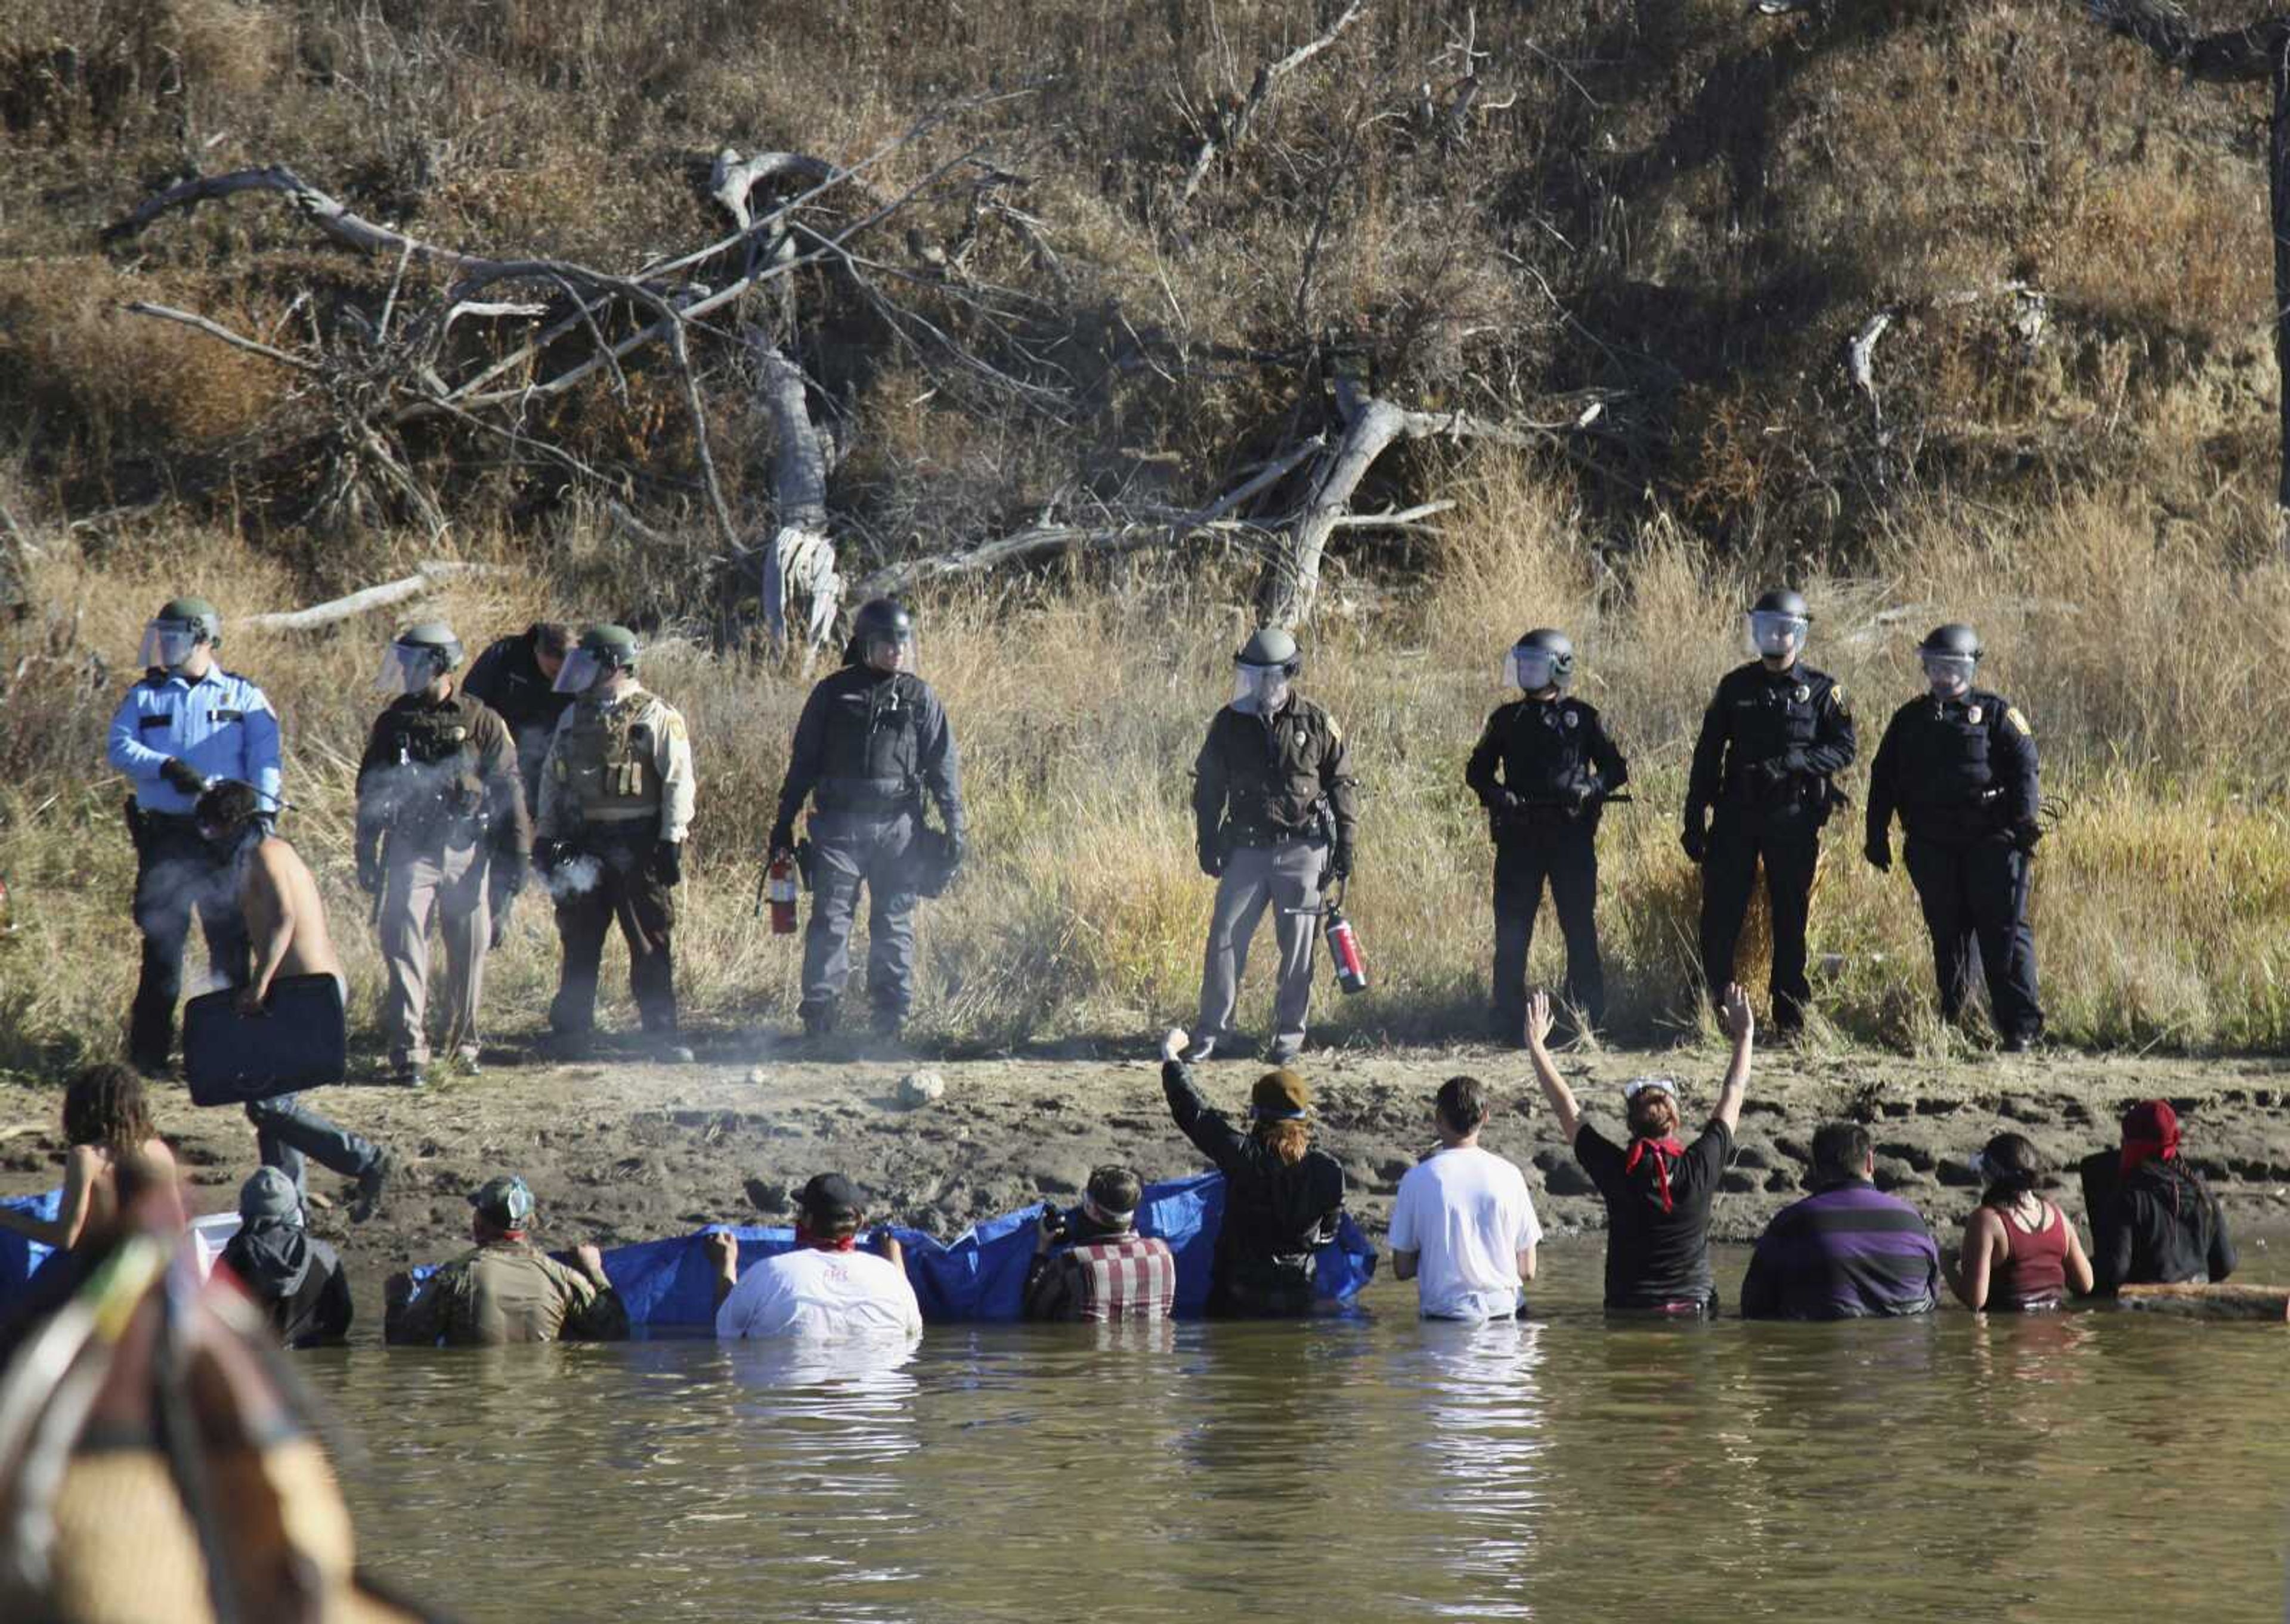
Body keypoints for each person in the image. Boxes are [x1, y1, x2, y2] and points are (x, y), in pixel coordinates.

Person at [196, 780, 393, 1223]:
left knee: (268, 1104)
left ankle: (367, 1161)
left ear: (232, 822)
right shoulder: (255, 857)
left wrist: (261, 982)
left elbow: (285, 917)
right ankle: (288, 1211)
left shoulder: (269, 852)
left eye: (214, 829)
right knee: (267, 1102)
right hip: (294, 993)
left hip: (309, 992)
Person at [769, 598, 965, 1041]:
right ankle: (820, 1021)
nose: (897, 651)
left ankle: (889, 1025)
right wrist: (783, 822)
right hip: (838, 829)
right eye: (888, 642)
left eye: (903, 642)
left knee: (894, 923)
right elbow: (802, 763)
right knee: (831, 920)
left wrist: (956, 827)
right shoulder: (832, 694)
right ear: (865, 644)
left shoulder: (920, 698)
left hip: (900, 829)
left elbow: (943, 768)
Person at [106, 596, 281, 1075]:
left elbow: (267, 761)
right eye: (159, 635)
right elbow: (118, 746)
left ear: (202, 638)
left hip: (226, 840)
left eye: (173, 636)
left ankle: (229, 1054)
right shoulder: (146, 695)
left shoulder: (244, 696)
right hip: (166, 838)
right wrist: (164, 765)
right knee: (162, 947)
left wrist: (263, 820)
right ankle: (149, 1057)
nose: (162, 645)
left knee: (229, 945)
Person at [355, 622, 531, 1086]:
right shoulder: (393, 721)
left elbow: (510, 791)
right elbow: (370, 792)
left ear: (436, 665)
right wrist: (365, 853)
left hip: (468, 852)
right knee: (404, 946)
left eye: (410, 663)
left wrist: (517, 858)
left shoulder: (481, 721)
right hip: (411, 850)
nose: (402, 672)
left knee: (470, 951)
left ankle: (463, 1046)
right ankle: (410, 1051)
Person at [1864, 624, 2045, 1050]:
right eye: (1937, 667)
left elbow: (2026, 767)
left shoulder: (1997, 714)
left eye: (1954, 667)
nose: (1945, 676)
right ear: (1925, 667)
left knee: (2005, 934)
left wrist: (2024, 820)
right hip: (1932, 846)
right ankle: (1955, 1017)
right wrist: (1876, 835)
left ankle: (2020, 1027)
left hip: (1992, 843)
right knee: (1948, 935)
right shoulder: (1909, 720)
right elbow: (1882, 777)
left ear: (1971, 667)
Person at [1682, 589, 1855, 1034]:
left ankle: (1790, 1014)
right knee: (1720, 913)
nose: (1774, 637)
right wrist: (1693, 816)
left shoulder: (1822, 690)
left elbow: (1844, 748)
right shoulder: (1735, 686)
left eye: (1783, 629)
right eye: (1765, 628)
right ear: (1755, 631)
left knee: (1790, 916)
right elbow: (1708, 754)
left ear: (1799, 633)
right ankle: (1715, 1005)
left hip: (1792, 815)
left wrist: (1794, 763)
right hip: (1737, 814)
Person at [1187, 627, 1358, 1064]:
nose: (1261, 686)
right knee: (1225, 938)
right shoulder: (1229, 722)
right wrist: (1207, 840)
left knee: (1299, 946)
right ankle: (1212, 1033)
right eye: (1253, 676)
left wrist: (1346, 845)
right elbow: (1209, 787)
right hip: (1245, 849)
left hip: (1304, 850)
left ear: (1288, 674)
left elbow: (1342, 785)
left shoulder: (1317, 722)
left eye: (1269, 677)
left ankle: (1288, 1035)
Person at [1528, 984, 1753, 1315]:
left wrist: (1536, 1046)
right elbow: (1734, 1090)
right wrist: (1745, 1035)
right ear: (1675, 1119)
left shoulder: (1617, 1169)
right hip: (1695, 1310)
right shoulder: (1702, 1163)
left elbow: (1567, 1108)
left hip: (1629, 1310)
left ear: (1630, 1124)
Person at [535, 624, 697, 1061]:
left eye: (589, 663)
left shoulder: (655, 715)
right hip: (582, 842)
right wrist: (546, 835)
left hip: (637, 844)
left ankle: (661, 1034)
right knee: (579, 939)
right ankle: (571, 1034)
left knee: (649, 940)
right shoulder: (573, 716)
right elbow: (553, 778)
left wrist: (671, 839)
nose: (580, 673)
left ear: (613, 665)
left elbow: (678, 780)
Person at [1465, 628, 1629, 1042]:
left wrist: (1591, 788)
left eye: (1534, 665)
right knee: (1512, 930)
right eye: (1522, 664)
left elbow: (1616, 769)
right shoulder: (1506, 719)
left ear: (1558, 669)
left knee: (1579, 927)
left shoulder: (1584, 718)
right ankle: (1507, 1019)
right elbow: (1477, 771)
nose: (1526, 672)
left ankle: (1587, 1018)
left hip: (1570, 837)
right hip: (1519, 838)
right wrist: (1497, 794)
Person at [1159, 1026, 1347, 1316]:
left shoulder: (1243, 1156)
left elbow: (1193, 1112)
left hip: (1237, 1298)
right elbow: (1327, 1236)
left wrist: (1171, 1055)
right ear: (1305, 1118)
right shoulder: (1328, 1170)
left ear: (1257, 1115)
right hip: (1298, 1296)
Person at [384, 1174, 629, 1345]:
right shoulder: (561, 1277)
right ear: (530, 1222)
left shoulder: (454, 1277)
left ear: (478, 1223)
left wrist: (397, 1300)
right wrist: (595, 1271)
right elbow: (617, 1332)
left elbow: (404, 1346)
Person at [1738, 1122, 1942, 1320]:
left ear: (1816, 1167)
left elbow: (1753, 1307)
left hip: (1819, 1346)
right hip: (1906, 1347)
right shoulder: (1913, 1221)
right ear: (1870, 1161)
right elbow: (1933, 1298)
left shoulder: (1790, 1223)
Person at [1388, 1075, 1542, 1321]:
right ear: (1486, 1117)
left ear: (1438, 1119)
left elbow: (1403, 1269)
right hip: (1506, 1317)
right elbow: (1528, 1271)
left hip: (1445, 1318)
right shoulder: (1510, 1175)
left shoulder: (1416, 1179)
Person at [708, 1173, 923, 1339]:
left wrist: (725, 1264)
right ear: (859, 1221)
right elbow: (913, 1333)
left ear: (807, 1220)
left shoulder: (769, 1273)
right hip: (880, 1397)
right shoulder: (890, 1278)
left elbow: (725, 1328)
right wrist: (895, 1264)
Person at [0, 1062, 182, 1254]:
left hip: (100, 1274)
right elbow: (177, 1226)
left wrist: (8, 1218)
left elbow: (65, 1237)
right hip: (151, 1270)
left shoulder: (86, 1157)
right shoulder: (160, 1151)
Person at [2085, 1099, 2236, 1293]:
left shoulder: (2129, 1197)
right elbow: (2225, 1265)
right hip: (2199, 1303)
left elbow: (2114, 1273)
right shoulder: (2199, 1188)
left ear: (2131, 1144)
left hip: (2148, 1308)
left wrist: (2079, 1271)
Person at [1941, 1133, 2094, 1312]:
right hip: (2058, 1328)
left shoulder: (1987, 1220)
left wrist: (1946, 1265)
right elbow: (2086, 1283)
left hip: (2010, 1332)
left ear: (1990, 1173)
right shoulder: (2057, 1215)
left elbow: (1975, 1300)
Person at [1021, 1164, 1179, 1323]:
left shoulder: (1074, 1261)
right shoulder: (1162, 1252)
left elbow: (1033, 1310)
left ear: (1092, 1209)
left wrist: (1042, 1249)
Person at [219, 1166, 352, 1347]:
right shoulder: (323, 1254)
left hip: (256, 1364)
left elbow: (212, 1325)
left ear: (246, 1209)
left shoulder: (232, 1258)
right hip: (313, 1358)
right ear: (292, 1207)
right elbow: (343, 1315)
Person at [462, 620, 575, 811]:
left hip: (551, 759)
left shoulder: (578, 666)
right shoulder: (504, 655)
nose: (558, 680)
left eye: (564, 674)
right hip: (502, 756)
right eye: (554, 672)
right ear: (538, 652)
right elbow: (472, 703)